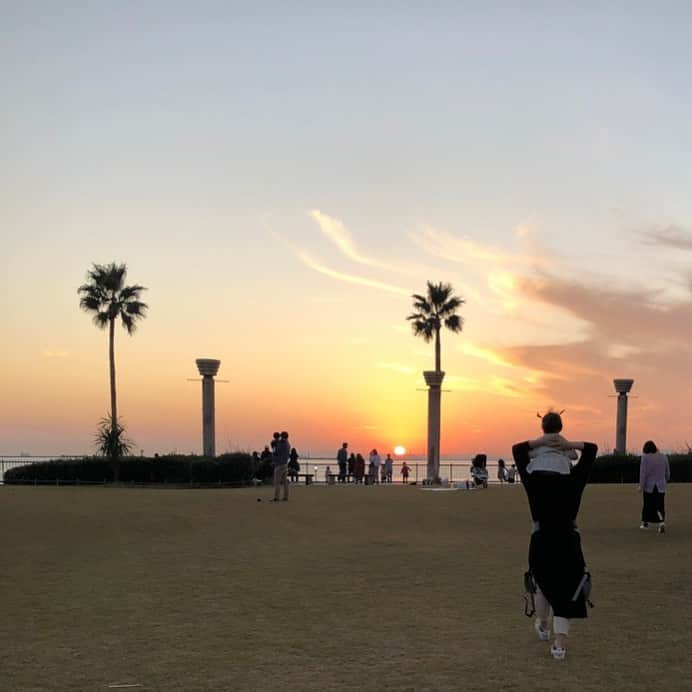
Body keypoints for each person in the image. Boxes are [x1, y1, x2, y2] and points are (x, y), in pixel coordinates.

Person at [512, 425, 598, 661]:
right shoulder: (574, 480)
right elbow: (591, 450)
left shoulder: (533, 481)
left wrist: (541, 441)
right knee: (567, 590)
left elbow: (518, 450)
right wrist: (569, 445)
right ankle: (559, 645)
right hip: (569, 539)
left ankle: (542, 623)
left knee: (543, 583)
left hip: (541, 539)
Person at [639, 440, 670, 533]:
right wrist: (666, 480)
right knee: (659, 505)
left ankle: (645, 523)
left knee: (647, 505)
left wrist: (641, 486)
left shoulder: (645, 458)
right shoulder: (663, 457)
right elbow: (667, 471)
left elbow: (643, 474)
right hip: (661, 486)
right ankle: (661, 522)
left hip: (649, 487)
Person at [271, 431, 291, 502]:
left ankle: (276, 497)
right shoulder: (288, 444)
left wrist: (274, 445)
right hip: (285, 464)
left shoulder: (282, 444)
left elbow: (276, 452)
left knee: (277, 482)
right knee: (285, 482)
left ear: (282, 436)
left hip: (279, 464)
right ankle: (285, 497)